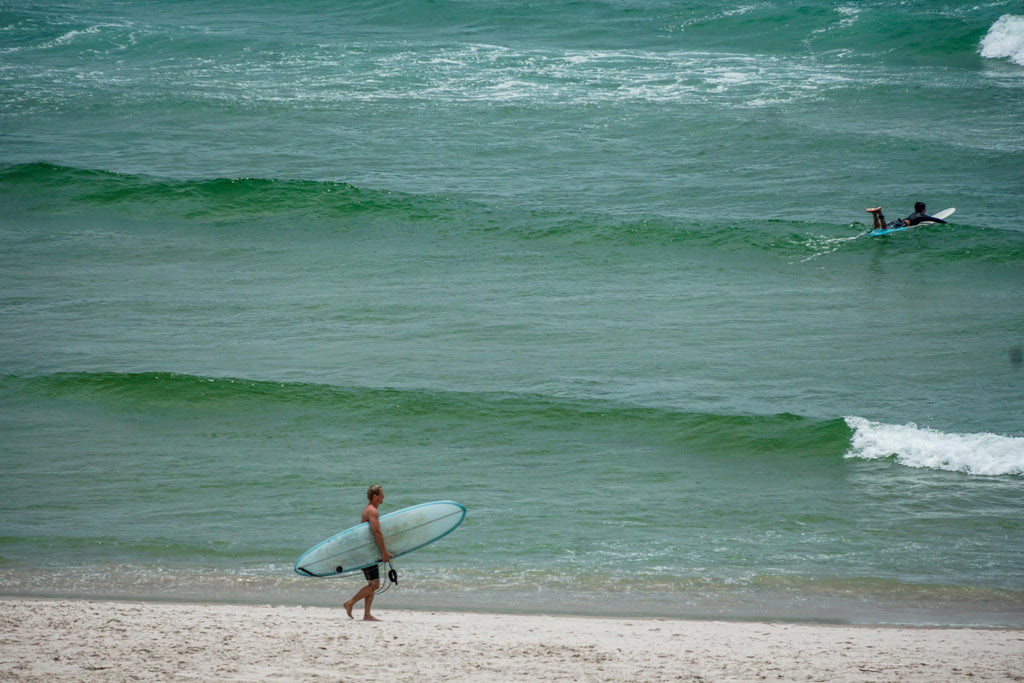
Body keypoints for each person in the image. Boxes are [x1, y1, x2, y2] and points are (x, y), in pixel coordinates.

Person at [343, 485, 393, 621]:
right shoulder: (372, 511)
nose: (384, 497)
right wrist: (384, 553)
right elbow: (377, 532)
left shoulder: (370, 510)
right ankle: (350, 603)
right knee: (374, 585)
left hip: (367, 552)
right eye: (382, 494)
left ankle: (367, 614)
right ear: (375, 496)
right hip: (366, 553)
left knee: (372, 583)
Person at [866, 202, 947, 231]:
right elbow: (935, 219)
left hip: (898, 221)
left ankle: (874, 214)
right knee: (884, 229)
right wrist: (945, 223)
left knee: (877, 229)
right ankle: (879, 212)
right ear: (923, 209)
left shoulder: (915, 214)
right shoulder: (921, 215)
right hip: (901, 224)